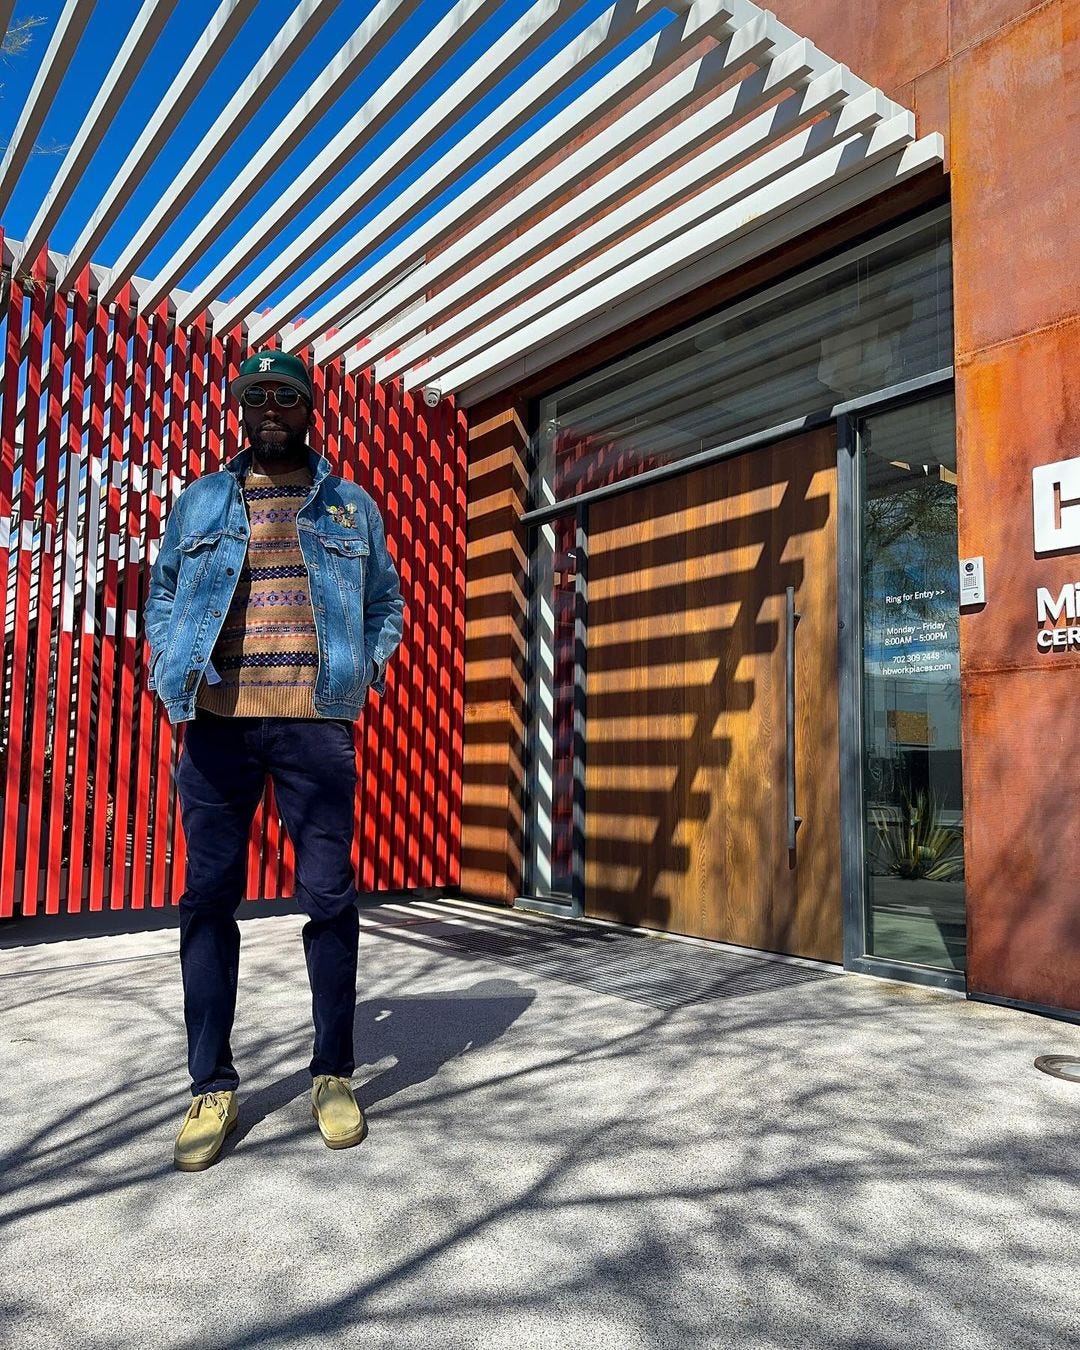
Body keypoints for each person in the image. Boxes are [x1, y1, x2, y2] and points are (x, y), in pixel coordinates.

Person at [144, 350, 404, 1172]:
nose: (268, 410)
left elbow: (386, 604)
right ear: (239, 411)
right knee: (207, 902)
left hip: (314, 730)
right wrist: (168, 662)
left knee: (329, 900)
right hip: (218, 728)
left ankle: (333, 1072)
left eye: (284, 398)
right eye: (254, 397)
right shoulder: (202, 501)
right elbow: (160, 594)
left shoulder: (350, 506)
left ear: (308, 410)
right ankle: (210, 1086)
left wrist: (365, 667)